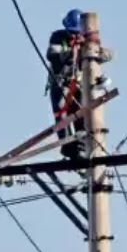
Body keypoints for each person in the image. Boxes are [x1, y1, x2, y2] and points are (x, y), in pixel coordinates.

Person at [46, 9, 86, 159]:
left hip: (78, 84)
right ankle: (67, 146)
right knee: (61, 116)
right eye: (72, 32)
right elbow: (53, 56)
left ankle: (81, 145)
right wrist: (73, 52)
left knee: (81, 113)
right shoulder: (58, 37)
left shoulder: (87, 41)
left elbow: (106, 54)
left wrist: (88, 48)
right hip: (60, 83)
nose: (74, 35)